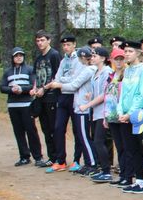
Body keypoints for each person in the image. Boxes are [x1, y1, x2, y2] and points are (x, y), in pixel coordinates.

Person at [47, 47, 96, 175]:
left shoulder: (89, 70)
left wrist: (60, 85)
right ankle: (88, 163)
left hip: (84, 107)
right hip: (79, 104)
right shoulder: (84, 68)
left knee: (84, 137)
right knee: (82, 135)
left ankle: (92, 164)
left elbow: (74, 84)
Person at [117, 40, 143, 193]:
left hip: (137, 115)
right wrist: (120, 112)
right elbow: (122, 94)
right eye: (125, 52)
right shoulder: (127, 70)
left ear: (138, 52)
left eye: (129, 51)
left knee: (142, 147)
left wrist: (130, 113)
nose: (126, 54)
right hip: (125, 115)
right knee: (131, 149)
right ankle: (138, 179)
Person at [0, 47, 44, 166]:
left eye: (21, 55)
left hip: (27, 105)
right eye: (16, 56)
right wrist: (12, 89)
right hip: (13, 105)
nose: (19, 57)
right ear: (13, 58)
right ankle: (24, 156)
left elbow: (33, 85)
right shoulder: (8, 72)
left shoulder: (29, 69)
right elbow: (2, 87)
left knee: (31, 131)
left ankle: (38, 157)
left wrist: (21, 89)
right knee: (18, 131)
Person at [44, 35, 79, 173]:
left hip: (74, 97)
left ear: (74, 45)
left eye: (69, 45)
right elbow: (57, 77)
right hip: (62, 97)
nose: (66, 47)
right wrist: (61, 82)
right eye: (64, 45)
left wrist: (60, 82)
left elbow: (75, 79)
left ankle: (77, 160)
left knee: (77, 130)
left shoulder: (79, 59)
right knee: (58, 128)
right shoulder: (63, 60)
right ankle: (60, 160)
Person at [31, 30, 60, 168]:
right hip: (40, 98)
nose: (40, 43)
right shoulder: (38, 58)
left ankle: (59, 157)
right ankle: (51, 156)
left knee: (54, 128)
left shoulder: (54, 55)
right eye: (37, 40)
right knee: (46, 128)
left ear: (48, 40)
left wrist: (45, 88)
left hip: (52, 97)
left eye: (42, 40)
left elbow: (57, 75)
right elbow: (36, 76)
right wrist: (35, 88)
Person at [85, 47, 114, 182]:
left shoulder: (107, 72)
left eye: (95, 55)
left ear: (103, 58)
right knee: (97, 141)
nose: (92, 58)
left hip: (104, 111)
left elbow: (105, 94)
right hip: (96, 112)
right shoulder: (96, 72)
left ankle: (106, 171)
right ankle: (103, 169)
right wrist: (90, 96)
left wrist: (88, 105)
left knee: (99, 141)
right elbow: (96, 91)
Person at [102, 48, 129, 186]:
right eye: (116, 59)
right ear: (111, 60)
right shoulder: (111, 76)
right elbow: (107, 96)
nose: (118, 62)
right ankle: (123, 174)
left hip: (122, 115)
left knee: (125, 146)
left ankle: (127, 175)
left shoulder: (127, 74)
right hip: (111, 116)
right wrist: (105, 116)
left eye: (121, 59)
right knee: (119, 146)